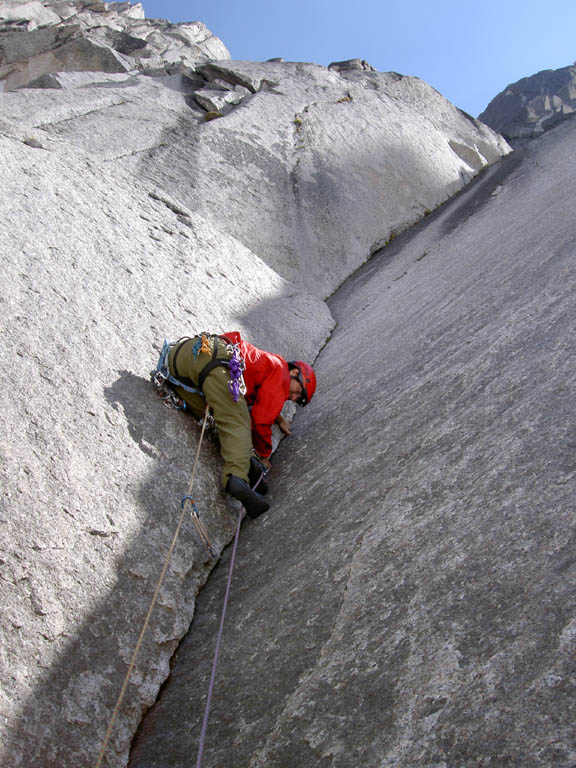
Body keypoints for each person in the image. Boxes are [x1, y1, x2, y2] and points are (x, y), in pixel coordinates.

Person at [163, 331, 316, 518]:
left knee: (220, 416)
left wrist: (279, 418)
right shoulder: (281, 371)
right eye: (298, 391)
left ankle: (248, 462)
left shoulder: (270, 367)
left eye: (297, 399)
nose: (293, 397)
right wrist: (265, 455)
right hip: (214, 361)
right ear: (293, 372)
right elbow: (260, 419)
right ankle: (236, 478)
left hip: (182, 360)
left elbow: (262, 395)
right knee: (237, 419)